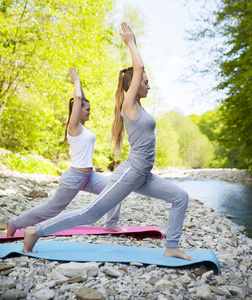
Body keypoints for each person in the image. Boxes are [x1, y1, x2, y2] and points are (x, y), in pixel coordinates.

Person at [23, 23, 193, 261]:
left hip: (144, 175)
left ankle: (172, 246)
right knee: (91, 214)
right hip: (131, 173)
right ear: (133, 86)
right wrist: (131, 42)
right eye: (145, 82)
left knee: (180, 197)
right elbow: (139, 65)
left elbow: (140, 72)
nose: (149, 85)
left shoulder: (140, 109)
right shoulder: (129, 105)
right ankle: (34, 231)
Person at [6, 67, 122, 238]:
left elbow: (80, 98)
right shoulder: (73, 127)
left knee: (116, 190)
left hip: (89, 177)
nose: (90, 112)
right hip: (74, 177)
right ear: (78, 110)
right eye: (87, 109)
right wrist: (76, 82)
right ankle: (14, 223)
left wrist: (79, 87)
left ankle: (111, 224)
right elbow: (77, 99)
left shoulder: (83, 127)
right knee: (51, 209)